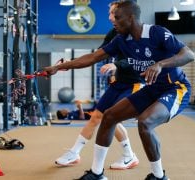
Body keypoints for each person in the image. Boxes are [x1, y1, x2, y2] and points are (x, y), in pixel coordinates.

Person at [43, 1, 194, 179]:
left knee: (145, 123)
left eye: (117, 17)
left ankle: (159, 176)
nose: (113, 21)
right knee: (109, 116)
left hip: (175, 88)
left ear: (130, 18)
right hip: (152, 89)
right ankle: (97, 174)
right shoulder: (121, 40)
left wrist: (160, 64)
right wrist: (59, 67)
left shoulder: (157, 33)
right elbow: (93, 57)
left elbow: (188, 55)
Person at [54, 1, 141, 170]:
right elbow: (96, 55)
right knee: (96, 116)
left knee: (111, 117)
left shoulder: (137, 33)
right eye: (109, 14)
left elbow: (138, 57)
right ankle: (74, 153)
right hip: (118, 83)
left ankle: (129, 156)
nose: (110, 17)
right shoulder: (113, 33)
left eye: (113, 14)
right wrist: (70, 63)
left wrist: (117, 65)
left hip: (135, 83)